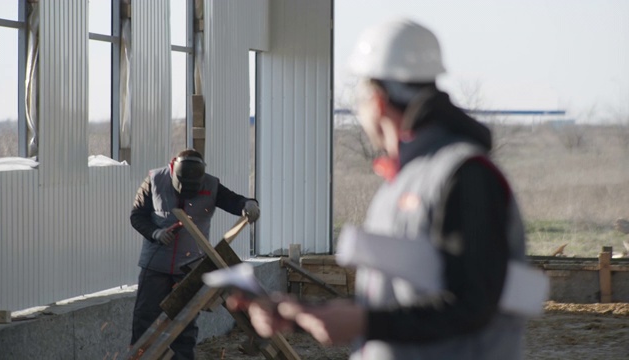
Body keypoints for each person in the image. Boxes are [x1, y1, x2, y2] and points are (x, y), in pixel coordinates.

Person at [228, 18, 536, 360]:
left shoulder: (464, 175)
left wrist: (365, 321)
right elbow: (404, 300)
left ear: (376, 101)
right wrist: (304, 314)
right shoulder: (406, 179)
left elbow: (474, 302)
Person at [129, 148, 260, 359]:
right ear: (173, 172)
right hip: (155, 266)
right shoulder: (154, 180)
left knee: (184, 323)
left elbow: (234, 200)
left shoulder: (211, 184)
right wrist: (156, 232)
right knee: (146, 319)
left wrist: (248, 204)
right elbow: (136, 216)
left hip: (190, 267)